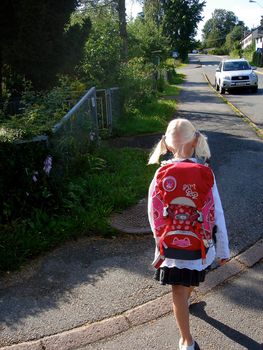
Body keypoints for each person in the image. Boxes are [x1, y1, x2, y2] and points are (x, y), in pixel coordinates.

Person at [147, 118, 230, 350]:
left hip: (171, 250)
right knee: (188, 283)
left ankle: (186, 341)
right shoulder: (205, 173)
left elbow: (154, 216)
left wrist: (159, 245)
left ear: (167, 145)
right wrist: (223, 249)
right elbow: (218, 214)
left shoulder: (161, 174)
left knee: (178, 292)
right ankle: (188, 297)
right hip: (198, 249)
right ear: (195, 142)